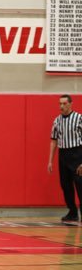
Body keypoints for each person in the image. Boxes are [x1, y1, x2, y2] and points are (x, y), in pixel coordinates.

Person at [48, 94, 82, 222]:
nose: (61, 106)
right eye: (60, 104)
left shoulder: (79, 118)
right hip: (63, 155)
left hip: (78, 154)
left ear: (70, 104)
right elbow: (53, 141)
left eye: (64, 103)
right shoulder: (57, 120)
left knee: (80, 184)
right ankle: (72, 212)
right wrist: (50, 160)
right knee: (65, 185)